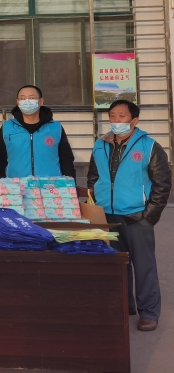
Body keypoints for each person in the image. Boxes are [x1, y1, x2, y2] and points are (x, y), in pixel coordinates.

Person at [87, 100, 171, 332]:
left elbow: (162, 183)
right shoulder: (100, 144)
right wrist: (96, 205)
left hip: (137, 216)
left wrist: (149, 216)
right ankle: (124, 305)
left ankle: (149, 313)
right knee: (116, 265)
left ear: (134, 120)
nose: (116, 121)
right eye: (112, 116)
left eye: (122, 116)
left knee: (144, 266)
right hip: (107, 216)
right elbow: (93, 176)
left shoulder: (149, 146)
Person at [0, 85, 75, 178]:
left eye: (32, 98)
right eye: (22, 98)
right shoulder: (7, 128)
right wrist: (0, 183)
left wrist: (71, 182)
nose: (27, 101)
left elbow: (66, 159)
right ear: (18, 102)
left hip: (51, 184)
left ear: (41, 101)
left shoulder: (55, 128)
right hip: (16, 184)